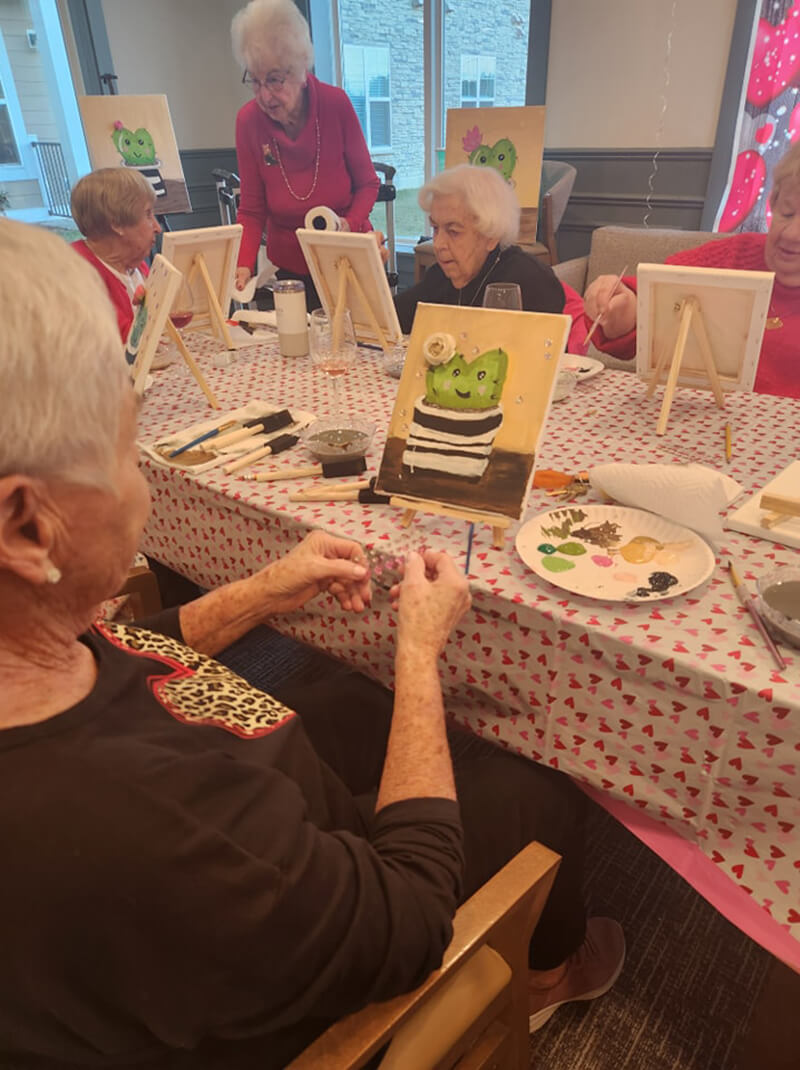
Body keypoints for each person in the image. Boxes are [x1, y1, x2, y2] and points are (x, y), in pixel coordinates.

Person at [0, 219, 624, 1069]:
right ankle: (549, 978)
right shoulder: (167, 826)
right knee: (539, 783)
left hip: (255, 793)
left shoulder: (37, 660)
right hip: (346, 902)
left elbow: (119, 657)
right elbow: (411, 914)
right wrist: (417, 656)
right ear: (28, 525)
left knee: (347, 693)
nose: (143, 485)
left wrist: (262, 589)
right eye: (124, 452)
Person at [583, 141, 800, 398]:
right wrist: (625, 308)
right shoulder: (733, 258)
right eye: (787, 213)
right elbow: (656, 288)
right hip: (701, 424)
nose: (791, 234)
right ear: (773, 205)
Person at [231, 0, 380, 309]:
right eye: (255, 81)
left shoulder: (335, 104)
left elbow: (367, 183)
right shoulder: (248, 122)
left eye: (274, 79)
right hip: (290, 273)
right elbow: (252, 209)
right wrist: (243, 264)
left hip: (347, 259)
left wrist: (348, 225)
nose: (264, 95)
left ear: (300, 68)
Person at [394, 164, 587, 352]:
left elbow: (541, 362)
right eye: (435, 228)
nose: (438, 244)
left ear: (491, 235)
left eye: (453, 231)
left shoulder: (531, 281)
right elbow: (392, 318)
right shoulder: (441, 275)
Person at [70, 167, 161, 342]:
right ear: (117, 224)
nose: (157, 228)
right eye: (148, 214)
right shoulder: (77, 271)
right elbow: (127, 341)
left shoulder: (136, 265)